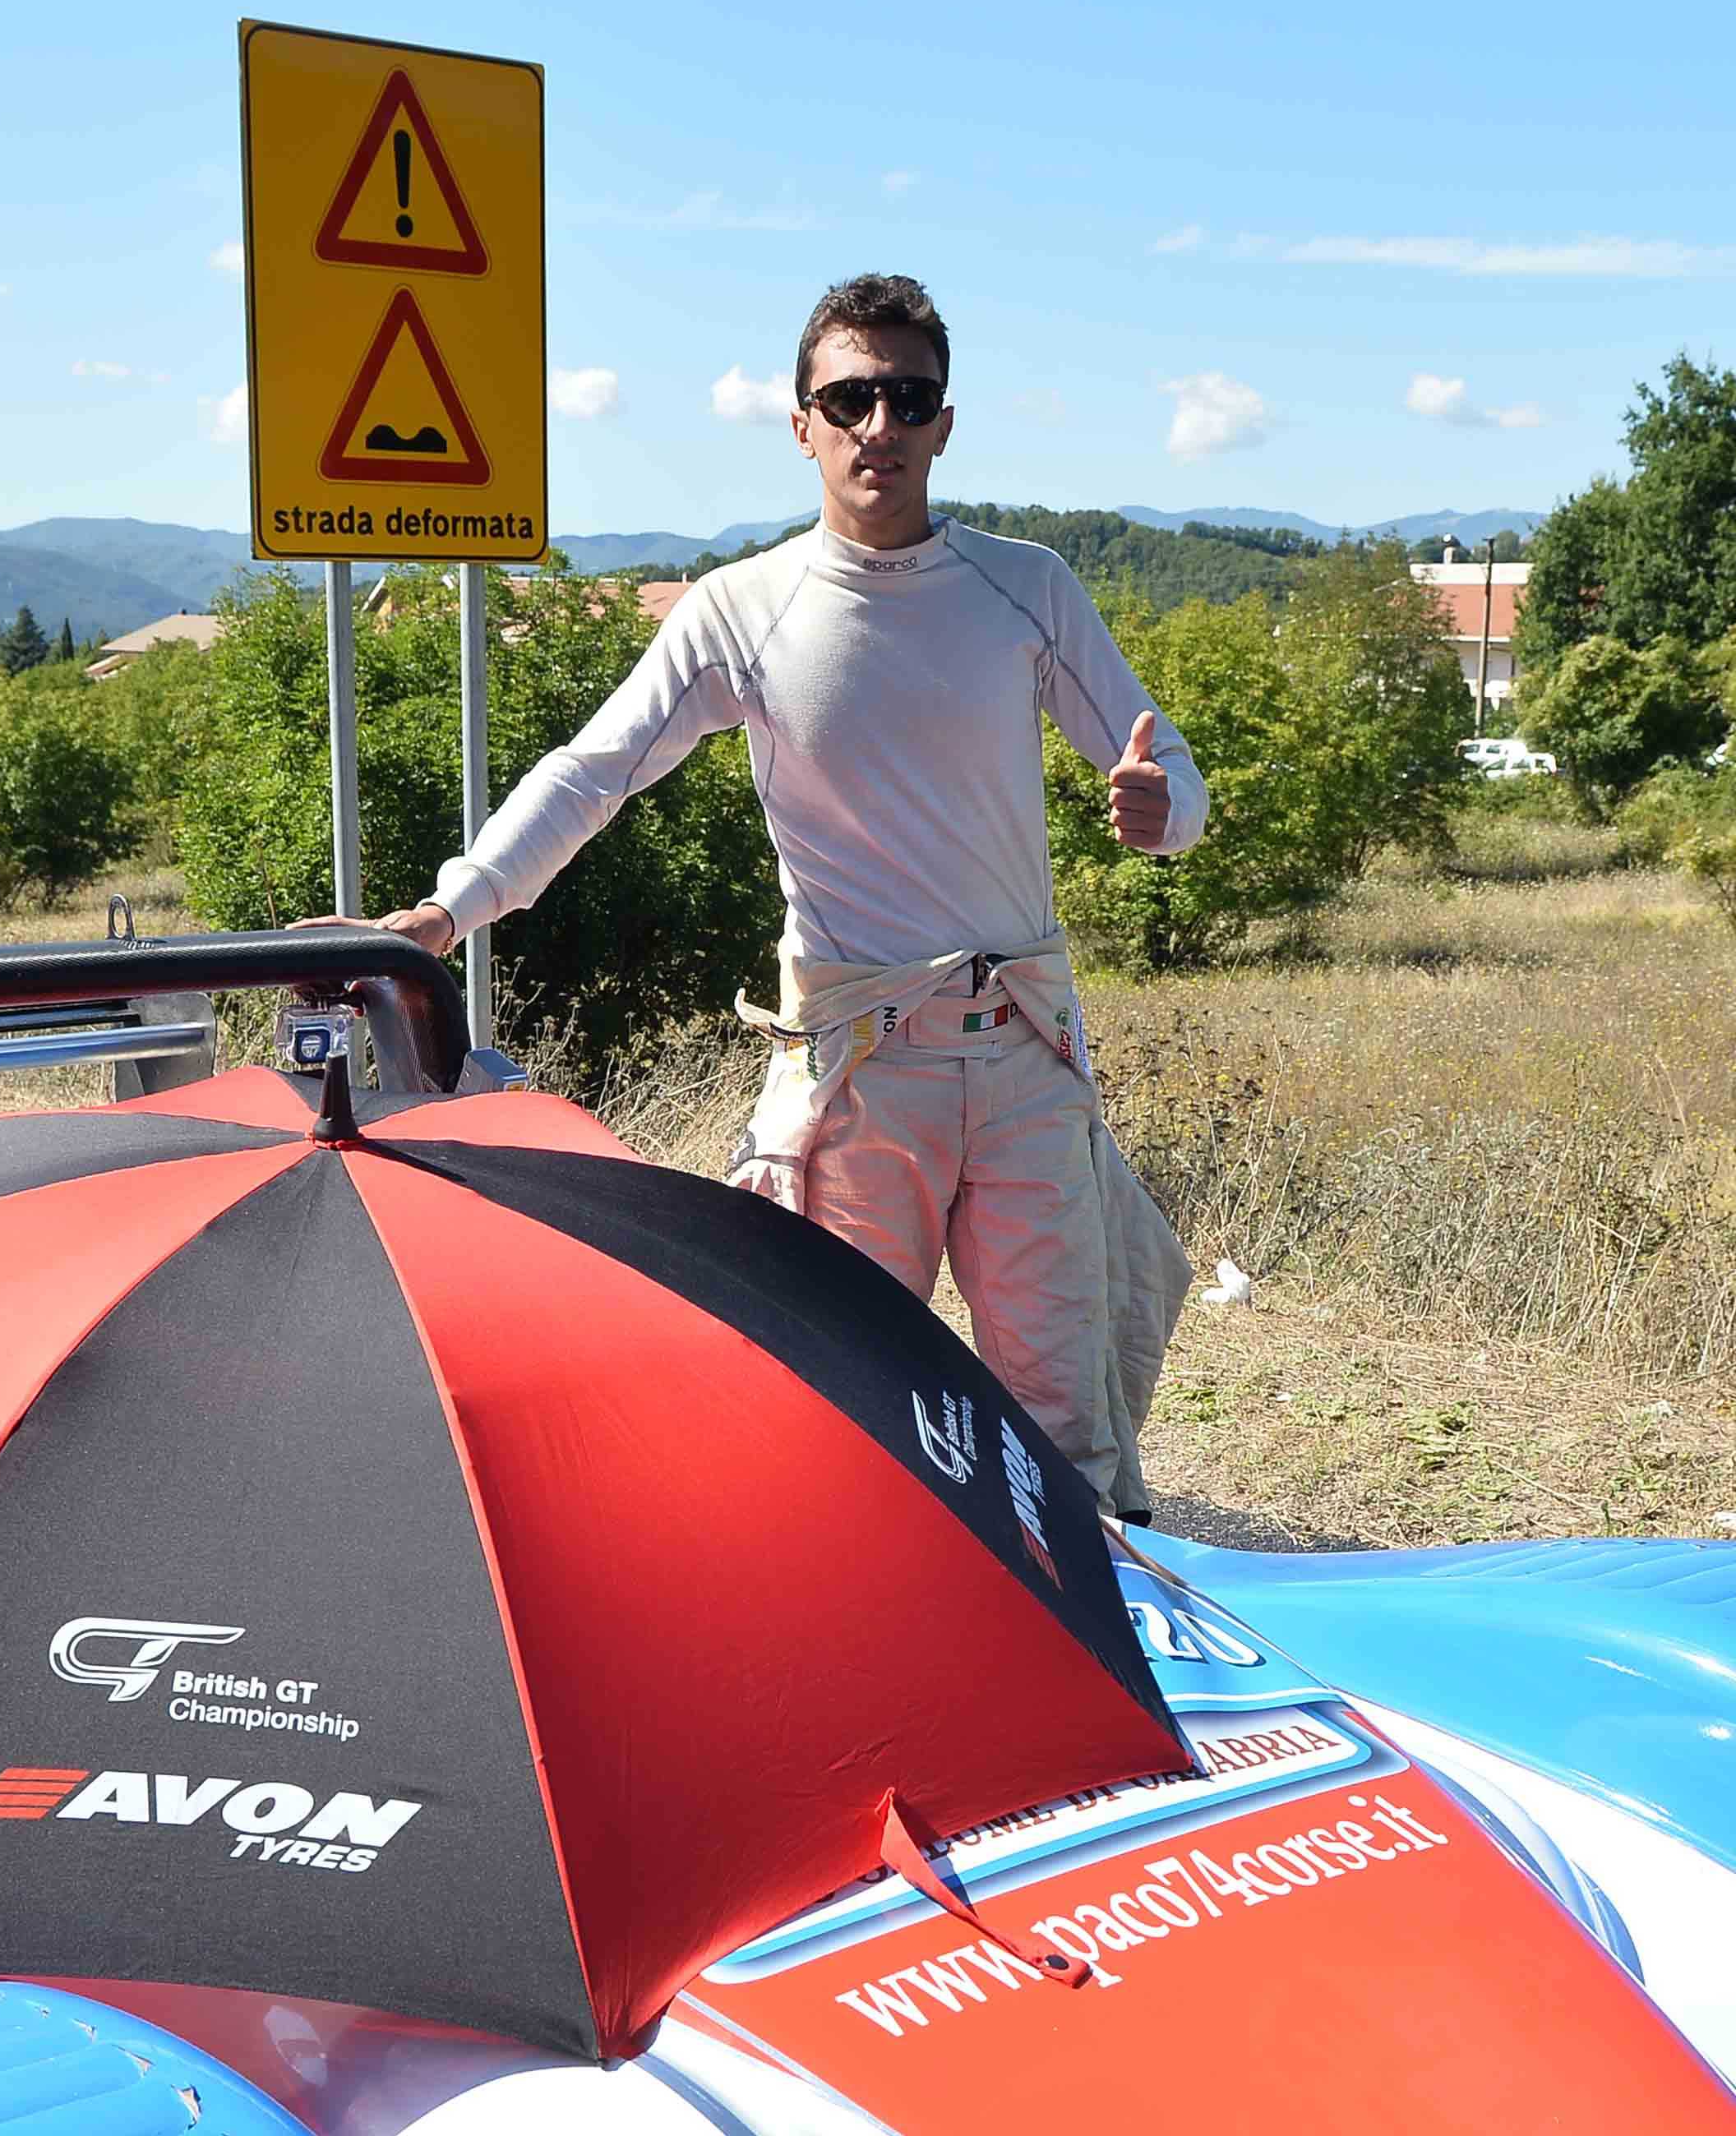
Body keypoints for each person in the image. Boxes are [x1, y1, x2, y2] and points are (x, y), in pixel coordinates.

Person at [325, 273, 1208, 1516]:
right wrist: (442, 913)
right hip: (860, 1068)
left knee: (1067, 1424)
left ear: (946, 424)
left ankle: (1102, 1622)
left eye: (909, 399)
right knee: (855, 1406)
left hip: (1026, 1057)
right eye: (848, 400)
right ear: (801, 424)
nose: (878, 426)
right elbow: (594, 771)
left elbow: (1165, 765)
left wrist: (1168, 816)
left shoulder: (1030, 587)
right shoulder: (741, 608)